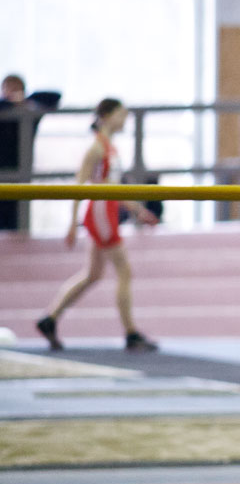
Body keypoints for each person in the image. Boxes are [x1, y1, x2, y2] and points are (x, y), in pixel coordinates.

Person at [35, 98, 159, 352]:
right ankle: (131, 333)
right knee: (124, 271)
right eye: (121, 115)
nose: (125, 120)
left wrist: (137, 209)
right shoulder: (96, 149)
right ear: (107, 116)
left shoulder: (109, 147)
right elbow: (79, 185)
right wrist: (72, 223)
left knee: (93, 274)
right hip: (101, 212)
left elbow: (114, 187)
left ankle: (50, 318)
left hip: (107, 210)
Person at [0, 74, 61, 230]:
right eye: (7, 90)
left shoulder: (30, 110)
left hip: (21, 174)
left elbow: (55, 96)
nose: (11, 94)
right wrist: (10, 102)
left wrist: (24, 99)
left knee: (17, 222)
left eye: (15, 90)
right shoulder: (3, 110)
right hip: (2, 174)